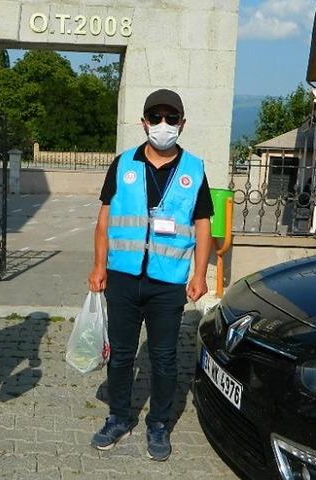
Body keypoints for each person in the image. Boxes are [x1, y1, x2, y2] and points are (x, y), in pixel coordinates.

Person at [87, 89, 213, 461]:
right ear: (143, 122)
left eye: (170, 118)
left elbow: (203, 224)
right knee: (122, 355)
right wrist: (98, 267)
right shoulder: (123, 163)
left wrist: (200, 274)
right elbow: (104, 220)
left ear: (182, 124)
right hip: (123, 277)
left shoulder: (193, 169)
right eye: (155, 117)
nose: (162, 125)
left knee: (163, 357)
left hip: (168, 280)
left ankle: (158, 424)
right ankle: (119, 417)